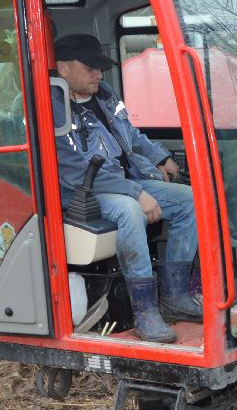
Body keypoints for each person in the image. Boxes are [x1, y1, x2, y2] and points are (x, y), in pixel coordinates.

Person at [52, 33, 203, 343]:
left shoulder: (105, 95)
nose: (99, 73)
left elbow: (130, 134)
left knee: (190, 200)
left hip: (124, 179)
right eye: (90, 67)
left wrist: (159, 155)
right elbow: (76, 171)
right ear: (63, 68)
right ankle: (145, 311)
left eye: (100, 67)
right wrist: (136, 192)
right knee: (129, 211)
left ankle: (174, 296)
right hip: (85, 191)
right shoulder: (53, 109)